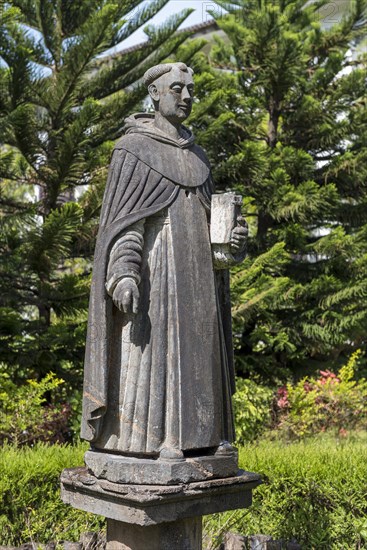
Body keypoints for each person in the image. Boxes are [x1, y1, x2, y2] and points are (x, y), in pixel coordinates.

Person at [81, 62, 247, 460]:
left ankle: (207, 436)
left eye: (190, 90)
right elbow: (125, 226)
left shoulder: (199, 157)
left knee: (202, 352)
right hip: (159, 279)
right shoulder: (133, 149)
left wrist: (234, 239)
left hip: (201, 282)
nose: (186, 97)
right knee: (158, 352)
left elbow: (214, 230)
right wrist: (123, 275)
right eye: (177, 89)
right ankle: (154, 442)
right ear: (155, 93)